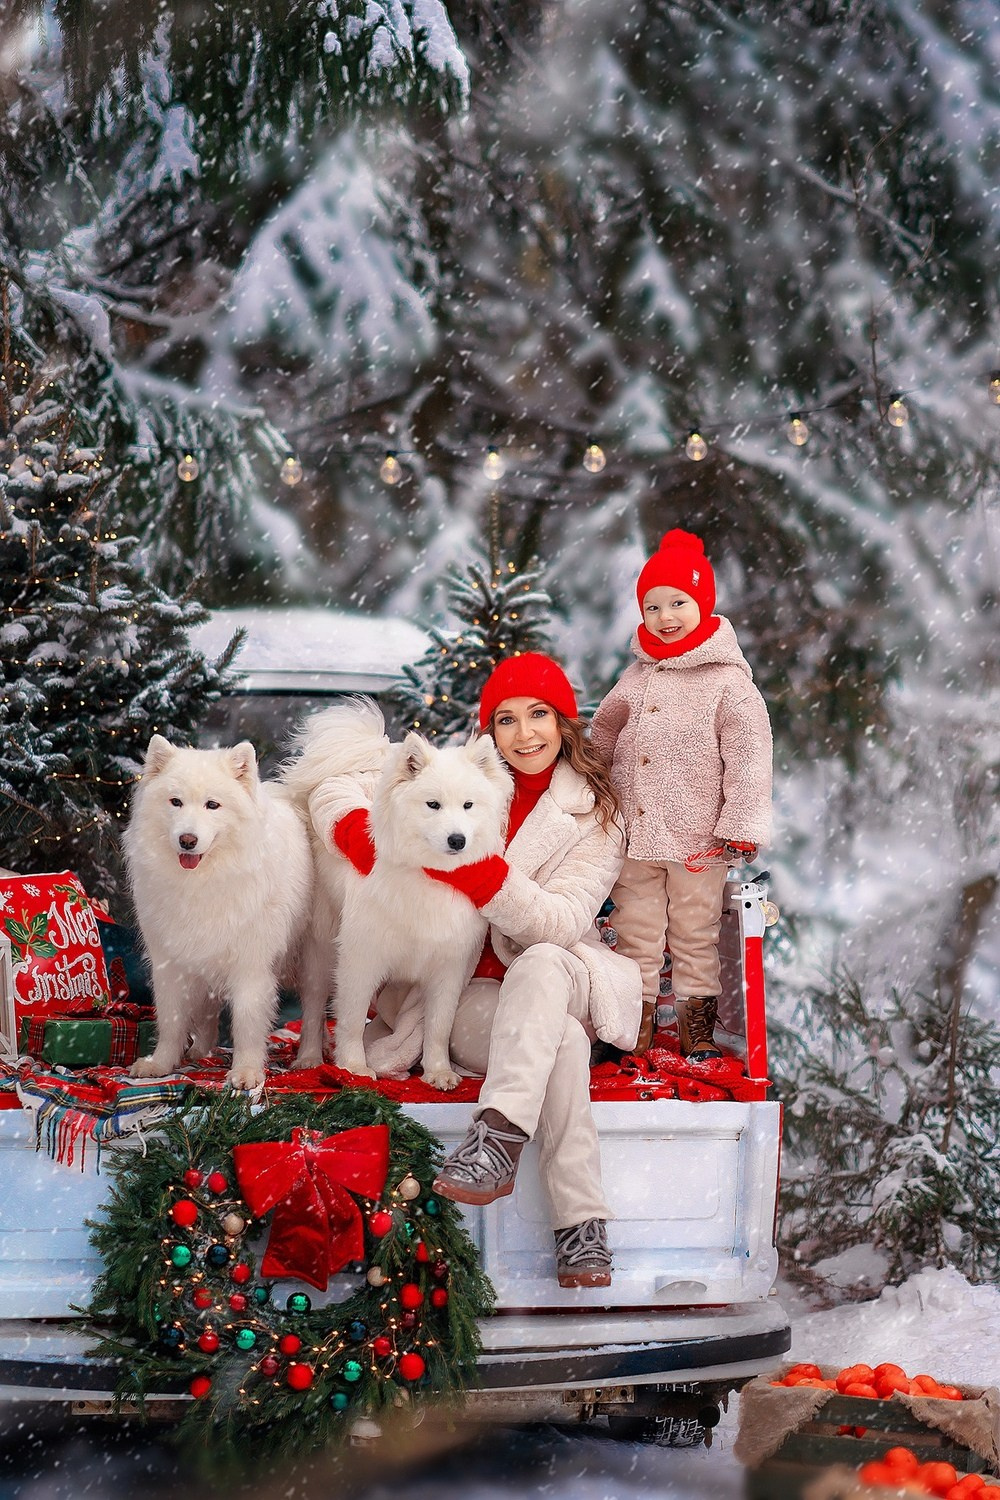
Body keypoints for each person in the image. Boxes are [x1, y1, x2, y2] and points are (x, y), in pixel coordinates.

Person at [331, 652, 641, 1289]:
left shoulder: (598, 814)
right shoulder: (464, 781)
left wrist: (483, 876)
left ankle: (496, 1136)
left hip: (564, 972)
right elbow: (340, 781)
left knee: (544, 962)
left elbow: (558, 921)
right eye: (506, 719)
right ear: (489, 732)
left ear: (564, 722)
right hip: (475, 995)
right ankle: (583, 1229)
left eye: (539, 715)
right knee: (564, 1044)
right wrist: (363, 835)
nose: (525, 733)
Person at [590, 529, 772, 1059]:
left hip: (699, 842)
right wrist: (590, 794)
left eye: (678, 603)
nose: (665, 616)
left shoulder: (728, 683)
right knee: (634, 936)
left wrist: (740, 824)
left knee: (695, 935)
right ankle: (633, 1030)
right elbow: (602, 736)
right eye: (652, 606)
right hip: (636, 833)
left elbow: (749, 757)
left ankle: (698, 1034)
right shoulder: (634, 677)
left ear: (704, 605)